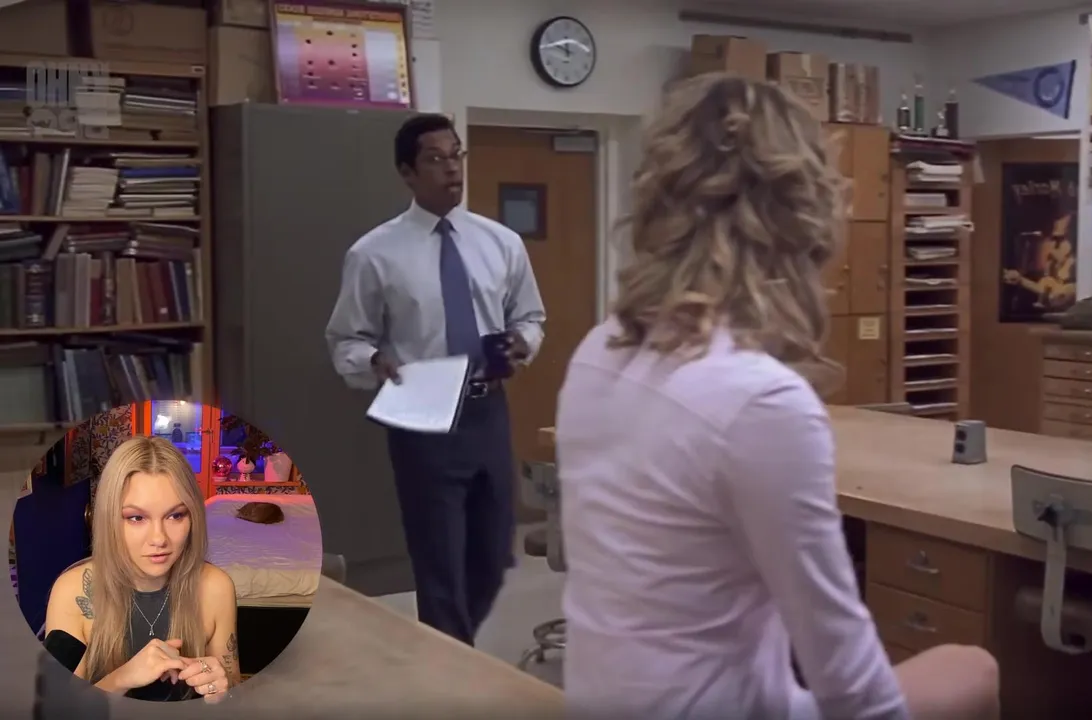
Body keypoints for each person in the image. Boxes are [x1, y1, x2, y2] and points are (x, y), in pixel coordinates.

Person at [554, 73, 1001, 720]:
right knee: (972, 669)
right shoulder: (759, 399)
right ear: (804, 213)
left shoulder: (599, 349)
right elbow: (856, 695)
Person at [324, 113, 546, 645]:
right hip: (422, 412)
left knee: (492, 554)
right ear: (407, 172)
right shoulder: (375, 253)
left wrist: (523, 342)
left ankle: (455, 651)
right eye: (436, 159)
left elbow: (531, 317)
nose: (452, 169)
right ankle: (453, 668)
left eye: (456, 155)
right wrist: (372, 361)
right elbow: (346, 339)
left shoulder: (500, 242)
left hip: (487, 408)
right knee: (439, 557)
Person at [43, 436, 239, 702]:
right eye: (136, 518)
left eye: (175, 515)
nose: (159, 539)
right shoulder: (72, 590)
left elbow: (231, 694)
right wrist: (122, 678)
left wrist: (219, 694)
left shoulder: (216, 587)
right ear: (110, 519)